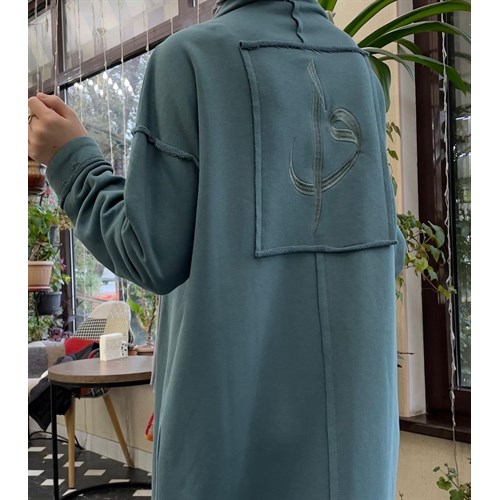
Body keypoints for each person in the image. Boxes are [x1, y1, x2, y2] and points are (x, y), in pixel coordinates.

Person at [28, 0, 406, 498]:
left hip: (227, 448)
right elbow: (388, 252)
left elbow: (150, 253)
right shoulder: (358, 69)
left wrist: (70, 159)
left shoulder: (190, 60)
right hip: (358, 453)